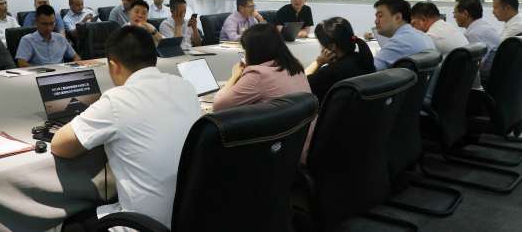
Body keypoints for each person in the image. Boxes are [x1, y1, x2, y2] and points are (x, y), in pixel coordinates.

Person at [52, 26, 201, 231]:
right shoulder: (185, 86)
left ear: (113, 65)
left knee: (71, 226)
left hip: (143, 224)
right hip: (191, 216)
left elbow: (60, 146)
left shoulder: (117, 100)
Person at [212, 23, 314, 160]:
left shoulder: (258, 75)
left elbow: (218, 106)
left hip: (278, 154)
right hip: (303, 145)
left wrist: (235, 76)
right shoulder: (295, 66)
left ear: (254, 51)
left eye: (245, 50)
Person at [305, 17, 375, 102]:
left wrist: (318, 62)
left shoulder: (329, 73)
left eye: (321, 44)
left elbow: (298, 85)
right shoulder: (364, 60)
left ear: (332, 46)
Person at [372, 0, 435, 70]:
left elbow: (368, 70)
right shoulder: (423, 36)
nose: (376, 21)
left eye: (380, 16)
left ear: (398, 18)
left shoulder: (399, 42)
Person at [16, 5, 80, 66]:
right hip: (39, 73)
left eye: (52, 23)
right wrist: (44, 71)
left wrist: (72, 67)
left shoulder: (61, 38)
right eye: (44, 24)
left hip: (61, 72)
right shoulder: (27, 40)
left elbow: (76, 57)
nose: (49, 28)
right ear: (36, 22)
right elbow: (22, 64)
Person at [454, 0, 500, 78]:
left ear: (465, 13)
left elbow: (476, 65)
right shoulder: (483, 26)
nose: (454, 16)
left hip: (487, 78)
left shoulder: (474, 33)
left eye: (455, 12)